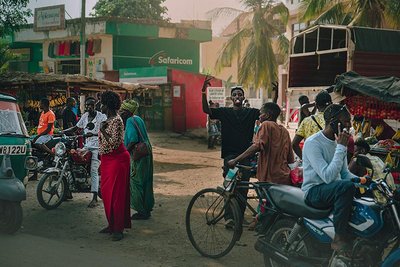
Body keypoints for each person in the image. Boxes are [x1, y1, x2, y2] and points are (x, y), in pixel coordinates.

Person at [302, 104, 359, 254]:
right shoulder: (313, 143)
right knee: (345, 187)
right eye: (346, 122)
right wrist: (341, 148)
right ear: (334, 122)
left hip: (332, 189)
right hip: (314, 191)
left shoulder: (337, 143)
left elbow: (345, 174)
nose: (350, 126)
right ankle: (338, 237)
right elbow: (327, 177)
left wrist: (363, 181)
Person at [202, 76, 259, 220]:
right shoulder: (224, 112)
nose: (237, 96)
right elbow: (206, 110)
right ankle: (229, 218)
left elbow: (265, 112)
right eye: (235, 95)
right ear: (231, 98)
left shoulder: (250, 112)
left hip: (245, 157)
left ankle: (239, 218)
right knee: (229, 188)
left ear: (243, 97)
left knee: (243, 189)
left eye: (240, 94)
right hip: (229, 156)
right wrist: (204, 92)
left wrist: (275, 95)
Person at [227, 102, 294, 185]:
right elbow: (290, 158)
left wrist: (235, 160)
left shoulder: (266, 125)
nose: (259, 116)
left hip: (270, 176)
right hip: (284, 175)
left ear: (268, 115)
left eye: (261, 113)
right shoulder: (284, 130)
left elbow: (257, 146)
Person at [62, 97, 107, 207]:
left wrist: (96, 134)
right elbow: (75, 128)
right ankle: (67, 191)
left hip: (97, 146)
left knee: (93, 170)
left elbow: (106, 131)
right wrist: (61, 131)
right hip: (87, 146)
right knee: (70, 161)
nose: (88, 107)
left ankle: (94, 198)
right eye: (86, 105)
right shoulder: (85, 116)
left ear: (95, 105)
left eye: (90, 105)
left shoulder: (102, 116)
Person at [98, 91, 131, 241]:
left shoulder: (117, 120)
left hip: (118, 160)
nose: (100, 106)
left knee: (117, 195)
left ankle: (118, 229)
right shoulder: (108, 119)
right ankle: (111, 224)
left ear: (107, 105)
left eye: (102, 103)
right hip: (107, 159)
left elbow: (115, 142)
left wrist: (103, 130)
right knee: (106, 194)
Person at [120, 99, 155, 220]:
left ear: (128, 112)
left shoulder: (130, 121)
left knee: (136, 181)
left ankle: (141, 211)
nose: (120, 113)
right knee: (146, 181)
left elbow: (133, 139)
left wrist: (124, 152)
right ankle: (147, 208)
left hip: (138, 154)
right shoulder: (138, 118)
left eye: (123, 111)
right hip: (147, 151)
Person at [292, 90, 332, 159]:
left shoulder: (307, 121)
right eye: (306, 99)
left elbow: (294, 144)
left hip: (311, 159)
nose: (308, 101)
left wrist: (304, 159)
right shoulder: (334, 119)